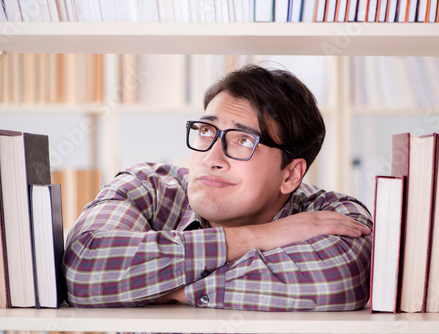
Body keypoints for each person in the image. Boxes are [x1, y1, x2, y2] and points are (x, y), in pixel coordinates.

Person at [63, 64, 373, 311]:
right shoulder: (147, 188)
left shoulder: (332, 214)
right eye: (206, 131)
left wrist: (168, 289)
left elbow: (340, 279)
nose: (211, 158)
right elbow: (83, 268)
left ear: (291, 175)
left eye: (243, 140)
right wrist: (257, 237)